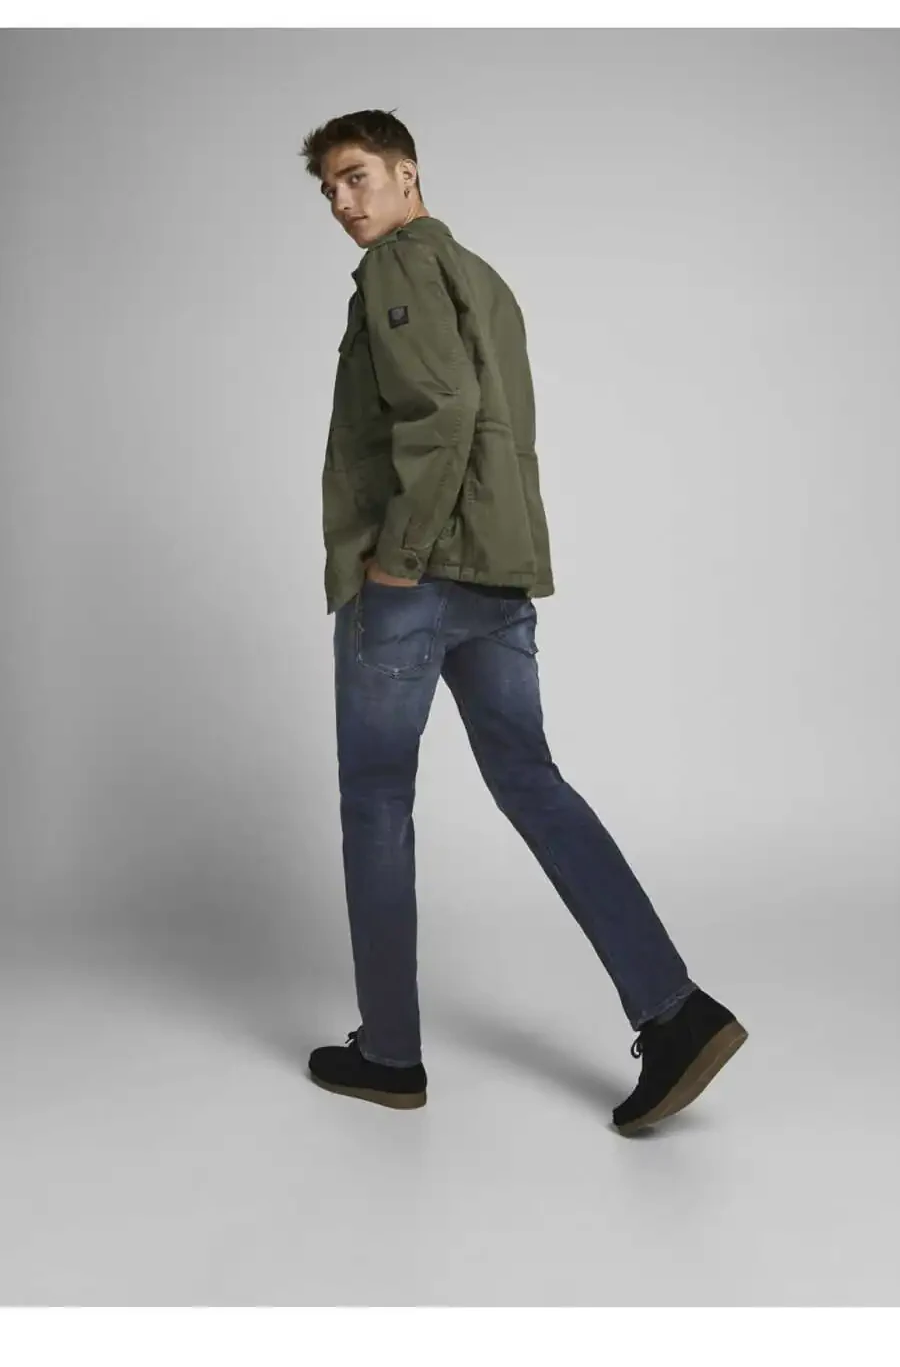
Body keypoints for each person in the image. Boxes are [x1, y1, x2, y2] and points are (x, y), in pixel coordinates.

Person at [298, 109, 747, 1136]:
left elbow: (443, 411)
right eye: (327, 189)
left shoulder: (396, 269)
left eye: (356, 176)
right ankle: (675, 1011)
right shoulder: (482, 277)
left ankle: (390, 1052)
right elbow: (489, 421)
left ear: (408, 173)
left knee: (376, 802)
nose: (341, 201)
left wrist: (395, 557)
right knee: (533, 783)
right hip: (495, 580)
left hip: (417, 583)